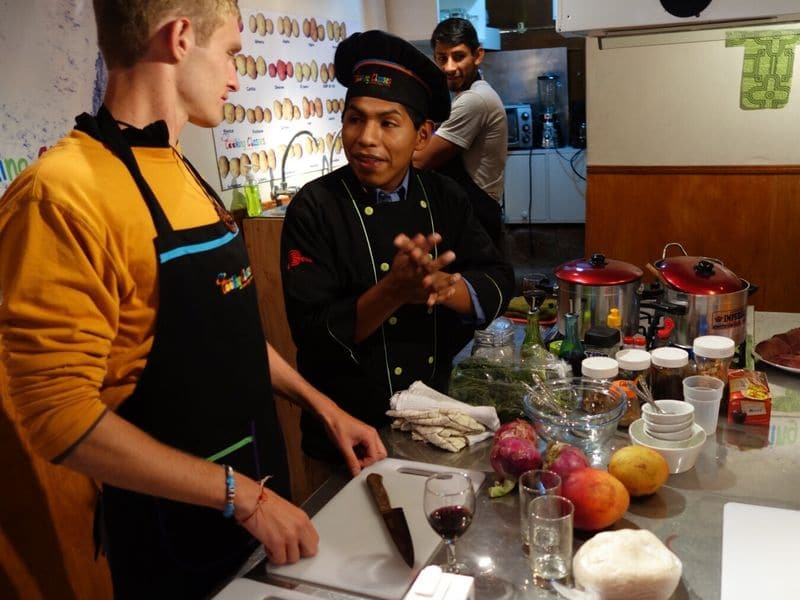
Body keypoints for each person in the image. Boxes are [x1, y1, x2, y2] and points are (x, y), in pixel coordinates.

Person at [0, 1, 386, 597]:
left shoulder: (181, 170)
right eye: (230, 52)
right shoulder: (60, 194)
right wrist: (238, 494)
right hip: (172, 536)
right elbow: (57, 420)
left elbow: (224, 336)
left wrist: (323, 407)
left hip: (256, 504)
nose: (237, 75)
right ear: (180, 38)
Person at [280, 30, 515, 479]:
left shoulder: (445, 196)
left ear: (422, 135)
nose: (366, 138)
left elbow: (499, 278)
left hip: (434, 424)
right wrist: (392, 291)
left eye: (388, 123)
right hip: (343, 439)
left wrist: (445, 287)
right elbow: (312, 333)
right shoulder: (315, 207)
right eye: (354, 119)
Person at [413, 17, 508, 249]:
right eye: (441, 58)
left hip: (477, 215)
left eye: (458, 56)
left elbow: (419, 161)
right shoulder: (471, 94)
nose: (448, 67)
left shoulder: (473, 100)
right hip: (474, 211)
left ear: (478, 55)